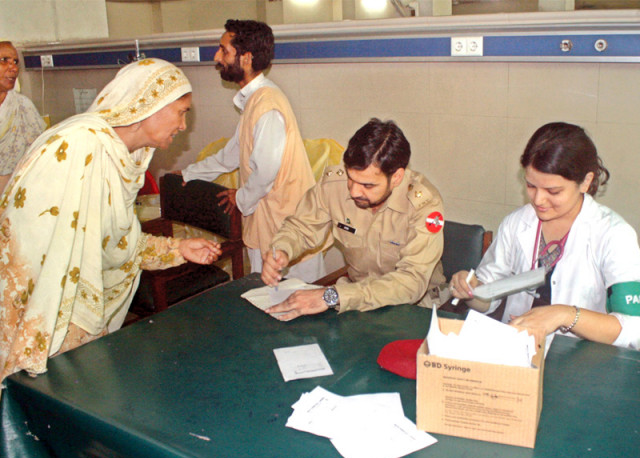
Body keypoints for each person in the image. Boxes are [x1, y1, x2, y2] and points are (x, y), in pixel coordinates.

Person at [0, 58, 222, 382]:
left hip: (79, 321)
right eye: (181, 112)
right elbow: (27, 243)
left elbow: (118, 243)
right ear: (149, 104)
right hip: (47, 318)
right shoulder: (76, 146)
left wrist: (179, 249)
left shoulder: (122, 157)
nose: (183, 125)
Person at [450, 122, 640, 350]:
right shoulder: (516, 223)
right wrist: (471, 291)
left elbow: (633, 328)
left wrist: (564, 315)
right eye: (531, 186)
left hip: (580, 359)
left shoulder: (614, 235)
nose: (538, 200)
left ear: (585, 182)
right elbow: (488, 299)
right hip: (516, 352)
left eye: (553, 191)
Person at [180, 19, 325, 282]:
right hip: (268, 220)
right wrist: (188, 175)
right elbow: (230, 156)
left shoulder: (267, 104)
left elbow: (266, 172)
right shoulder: (255, 101)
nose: (217, 57)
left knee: (299, 296)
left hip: (288, 224)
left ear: (246, 58)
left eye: (224, 51)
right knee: (268, 294)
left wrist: (240, 198)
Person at [262, 118, 447, 321]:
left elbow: (411, 282)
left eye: (368, 185)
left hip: (414, 307)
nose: (354, 191)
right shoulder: (334, 185)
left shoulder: (424, 204)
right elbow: (301, 228)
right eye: (351, 178)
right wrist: (282, 249)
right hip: (355, 301)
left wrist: (332, 296)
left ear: (396, 177)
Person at [0, 41, 46, 194]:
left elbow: (40, 149)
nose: (13, 68)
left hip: (17, 190)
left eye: (15, 62)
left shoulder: (22, 106)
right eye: (4, 60)